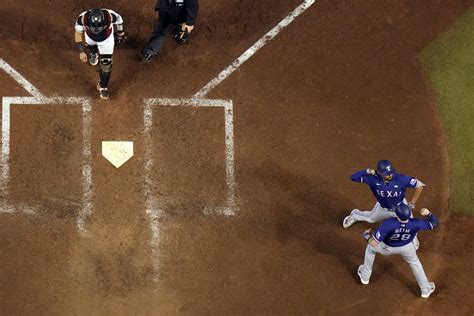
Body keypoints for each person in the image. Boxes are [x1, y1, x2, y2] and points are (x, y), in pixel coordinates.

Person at [357, 203, 438, 298]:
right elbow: (434, 223)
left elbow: (374, 243)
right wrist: (428, 214)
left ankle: (365, 276)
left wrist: (366, 235)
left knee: (371, 249)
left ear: (397, 214)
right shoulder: (415, 223)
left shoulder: (389, 223)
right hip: (406, 248)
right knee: (415, 263)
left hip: (386, 248)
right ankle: (425, 289)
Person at [343, 160, 425, 228]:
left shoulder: (401, 179)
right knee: (370, 218)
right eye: (387, 174)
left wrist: (412, 202)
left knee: (410, 226)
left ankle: (412, 242)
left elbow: (420, 185)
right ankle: (355, 215)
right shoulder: (372, 179)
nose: (390, 175)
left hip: (402, 208)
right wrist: (367, 171)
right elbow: (353, 177)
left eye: (391, 172)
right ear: (380, 173)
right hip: (383, 208)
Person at [74, 8, 126, 100]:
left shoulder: (110, 17)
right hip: (90, 39)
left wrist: (120, 33)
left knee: (106, 64)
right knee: (92, 48)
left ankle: (103, 86)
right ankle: (94, 54)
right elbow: (78, 34)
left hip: (106, 41)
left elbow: (119, 20)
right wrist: (81, 51)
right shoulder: (82, 19)